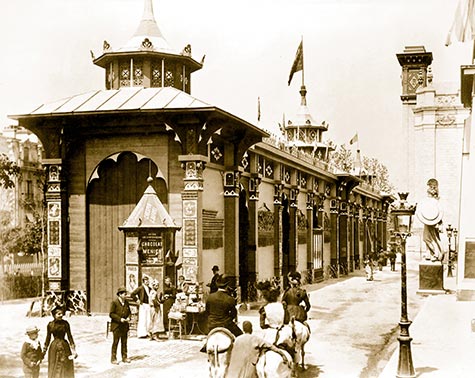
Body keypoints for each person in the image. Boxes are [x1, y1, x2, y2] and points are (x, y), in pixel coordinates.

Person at [43, 305, 77, 378]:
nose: (61, 315)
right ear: (54, 315)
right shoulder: (50, 325)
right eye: (59, 314)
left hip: (65, 346)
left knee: (65, 366)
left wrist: (74, 350)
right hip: (54, 348)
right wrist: (44, 350)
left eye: (62, 313)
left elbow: (69, 336)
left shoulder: (65, 324)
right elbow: (48, 338)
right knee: (54, 366)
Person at [417, 178, 444, 262]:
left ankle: (436, 253)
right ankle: (431, 253)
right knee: (428, 238)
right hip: (428, 221)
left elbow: (436, 211)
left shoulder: (434, 201)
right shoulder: (431, 201)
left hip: (432, 222)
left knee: (427, 238)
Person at [109, 287, 131, 364]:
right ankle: (113, 358)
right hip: (116, 326)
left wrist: (128, 318)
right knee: (116, 342)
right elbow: (111, 314)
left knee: (124, 342)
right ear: (120, 294)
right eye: (124, 294)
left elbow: (129, 312)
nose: (126, 295)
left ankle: (124, 357)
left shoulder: (126, 302)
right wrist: (119, 319)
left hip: (124, 326)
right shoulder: (114, 302)